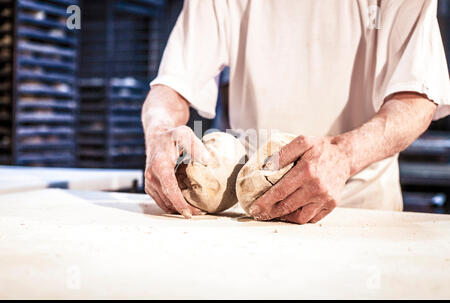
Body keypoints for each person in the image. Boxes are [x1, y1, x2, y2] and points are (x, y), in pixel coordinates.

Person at [141, 0, 450, 224]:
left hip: (361, 211)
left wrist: (342, 156)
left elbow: (416, 99)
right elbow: (172, 86)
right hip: (253, 210)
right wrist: (159, 134)